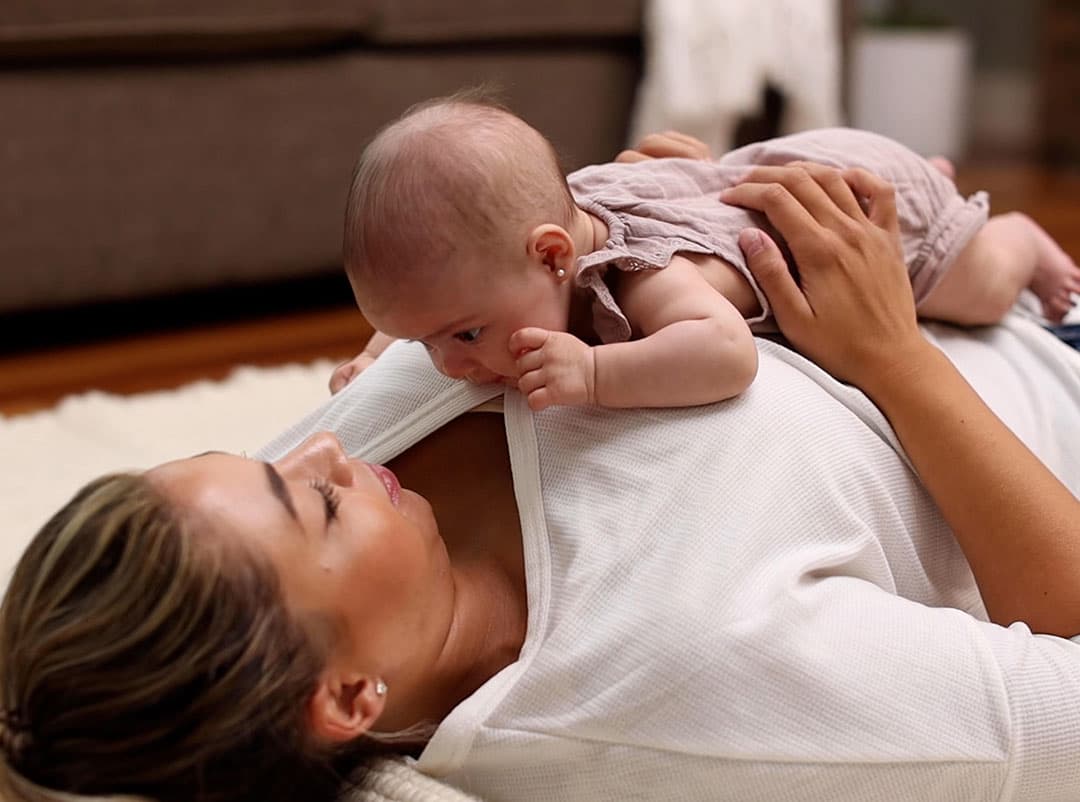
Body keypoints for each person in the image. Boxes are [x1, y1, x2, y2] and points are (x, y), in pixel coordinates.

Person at [3, 148, 1080, 802]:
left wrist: (660, 223)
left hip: (958, 267)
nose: (328, 449)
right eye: (314, 502)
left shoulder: (364, 481)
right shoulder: (678, 680)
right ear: (346, 696)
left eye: (268, 460)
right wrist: (894, 357)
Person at [332, 94, 1080, 410]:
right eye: (421, 339)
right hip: (769, 170)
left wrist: (595, 371)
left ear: (556, 257)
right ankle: (933, 175)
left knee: (974, 289)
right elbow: (428, 303)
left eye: (466, 335)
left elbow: (726, 353)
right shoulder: (522, 232)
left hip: (861, 216)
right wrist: (375, 358)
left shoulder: (642, 277)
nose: (449, 366)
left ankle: (1015, 236)